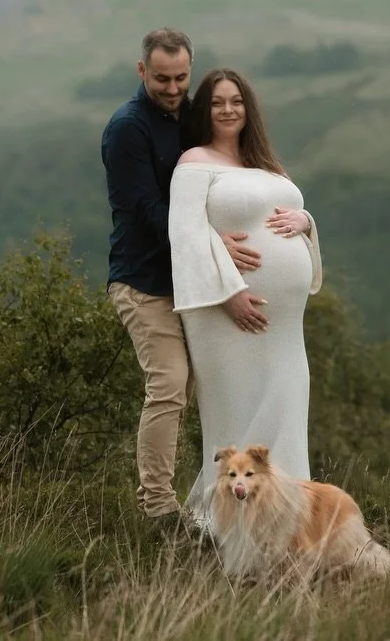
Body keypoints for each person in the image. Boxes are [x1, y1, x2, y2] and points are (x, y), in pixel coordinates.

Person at [101, 29, 262, 527]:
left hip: (193, 281)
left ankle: (217, 501)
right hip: (144, 282)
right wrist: (216, 242)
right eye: (162, 79)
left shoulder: (190, 116)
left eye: (181, 78)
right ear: (141, 71)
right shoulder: (127, 129)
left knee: (204, 385)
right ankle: (157, 509)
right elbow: (150, 210)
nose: (173, 89)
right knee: (169, 385)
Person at [168, 67, 323, 523]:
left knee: (289, 404)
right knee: (236, 410)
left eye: (236, 101)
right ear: (204, 111)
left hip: (284, 326)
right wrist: (230, 292)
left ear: (248, 107)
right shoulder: (194, 162)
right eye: (217, 102)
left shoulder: (265, 164)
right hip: (226, 315)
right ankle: (222, 523)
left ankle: (286, 516)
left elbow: (290, 215)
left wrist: (307, 222)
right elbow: (186, 234)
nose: (228, 109)